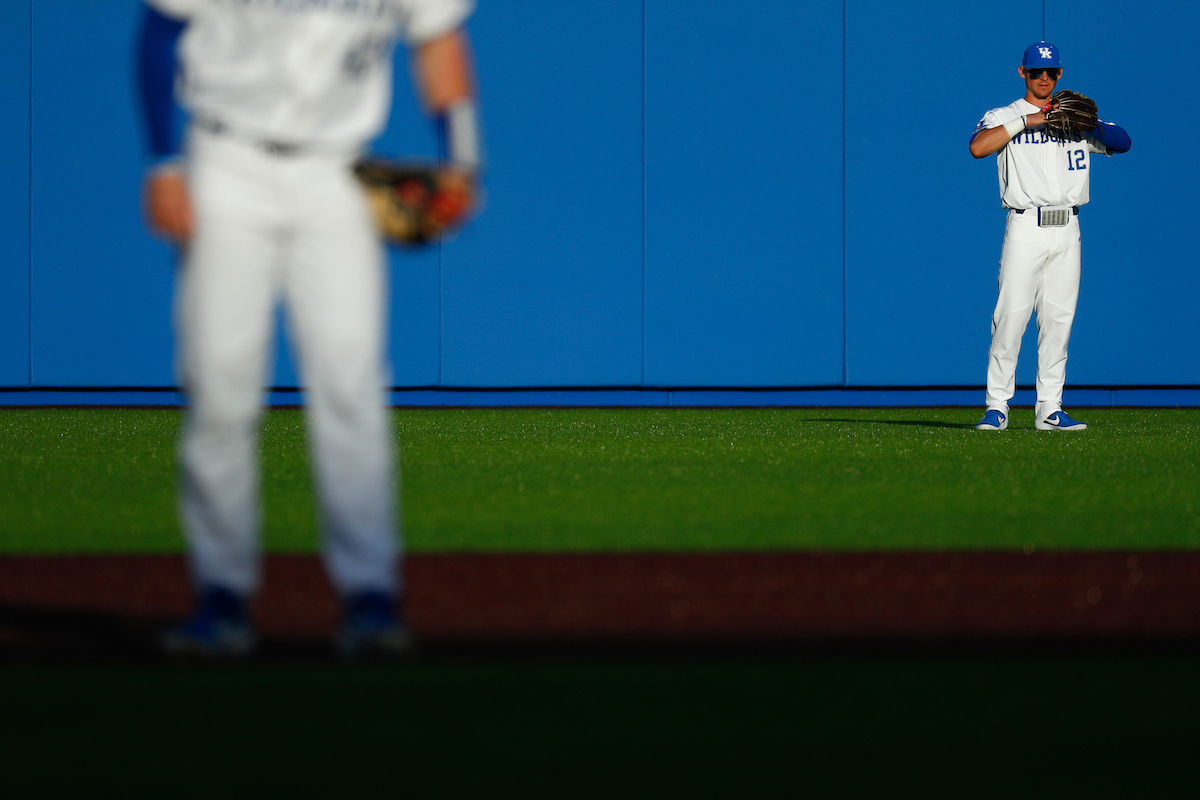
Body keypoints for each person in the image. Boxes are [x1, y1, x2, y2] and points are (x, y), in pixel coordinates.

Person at [137, 0, 482, 656]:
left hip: (336, 173)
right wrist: (162, 161)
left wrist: (462, 157)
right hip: (228, 157)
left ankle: (370, 596)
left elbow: (438, 38)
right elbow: (160, 29)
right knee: (219, 383)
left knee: (350, 380)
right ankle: (221, 594)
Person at [969, 42, 1129, 431]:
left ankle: (1050, 408)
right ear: (1022, 72)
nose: (1044, 78)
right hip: (1026, 225)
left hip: (1068, 228)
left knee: (1059, 320)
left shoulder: (1074, 118)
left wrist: (1091, 126)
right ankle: (997, 406)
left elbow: (1123, 142)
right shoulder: (1004, 115)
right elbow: (978, 147)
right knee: (1010, 317)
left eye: (1051, 71)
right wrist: (1027, 121)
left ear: (1060, 74)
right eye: (1036, 71)